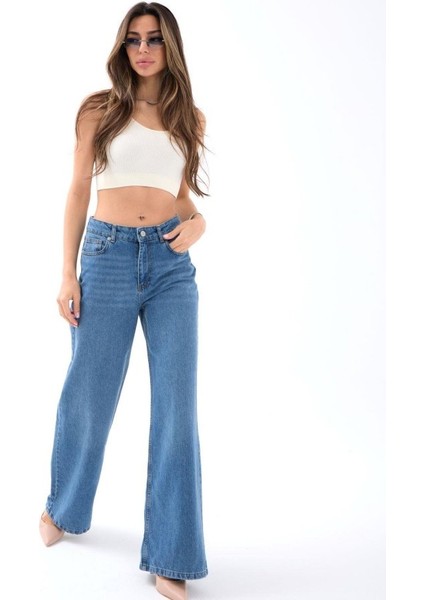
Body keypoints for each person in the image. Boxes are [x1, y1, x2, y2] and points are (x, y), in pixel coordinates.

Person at [39, 3, 209, 599]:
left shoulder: (189, 118)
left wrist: (199, 224)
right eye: (134, 39)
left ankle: (172, 553)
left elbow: (179, 196)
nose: (143, 50)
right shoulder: (98, 110)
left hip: (170, 268)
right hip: (106, 256)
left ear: (170, 47)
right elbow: (78, 190)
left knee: (177, 408)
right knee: (88, 393)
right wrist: (68, 274)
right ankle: (63, 507)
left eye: (154, 40)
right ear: (122, 47)